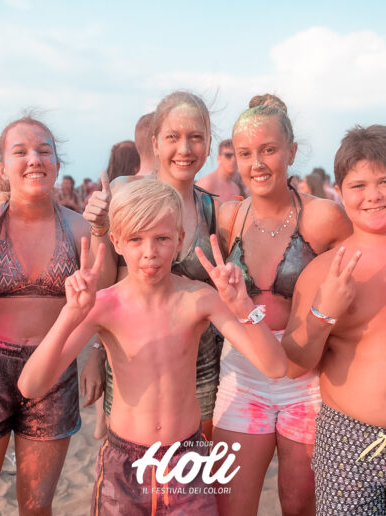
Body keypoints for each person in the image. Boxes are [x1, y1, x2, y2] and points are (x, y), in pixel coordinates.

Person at [19, 178, 288, 515]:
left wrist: (244, 306)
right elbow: (31, 386)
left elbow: (275, 366)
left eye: (162, 238)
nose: (150, 252)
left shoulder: (198, 299)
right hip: (124, 465)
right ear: (116, 241)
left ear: (180, 239)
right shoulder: (104, 305)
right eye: (136, 239)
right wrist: (69, 314)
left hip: (187, 461)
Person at [213, 96, 353, 516]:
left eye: (269, 150)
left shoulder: (324, 218)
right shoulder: (228, 218)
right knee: (231, 506)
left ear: (291, 152)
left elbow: (362, 271)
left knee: (298, 505)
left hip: (307, 379)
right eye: (245, 153)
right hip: (243, 374)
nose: (256, 163)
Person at [84, 91, 223, 441]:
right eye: (173, 136)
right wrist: (99, 229)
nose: (185, 149)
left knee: (193, 467)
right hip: (132, 367)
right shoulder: (126, 193)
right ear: (156, 142)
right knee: (128, 462)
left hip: (201, 371)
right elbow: (104, 286)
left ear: (208, 144)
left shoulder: (213, 210)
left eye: (196, 137)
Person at [0, 116, 90, 515]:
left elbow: (101, 305)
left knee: (36, 505)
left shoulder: (80, 230)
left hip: (54, 372)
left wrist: (96, 357)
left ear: (57, 165)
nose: (34, 159)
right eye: (20, 152)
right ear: (3, 168)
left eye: (44, 151)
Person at [283, 124, 386, 515]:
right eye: (359, 186)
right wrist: (322, 313)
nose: (374, 195)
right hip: (349, 440)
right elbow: (294, 364)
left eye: (384, 182)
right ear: (339, 191)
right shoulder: (324, 271)